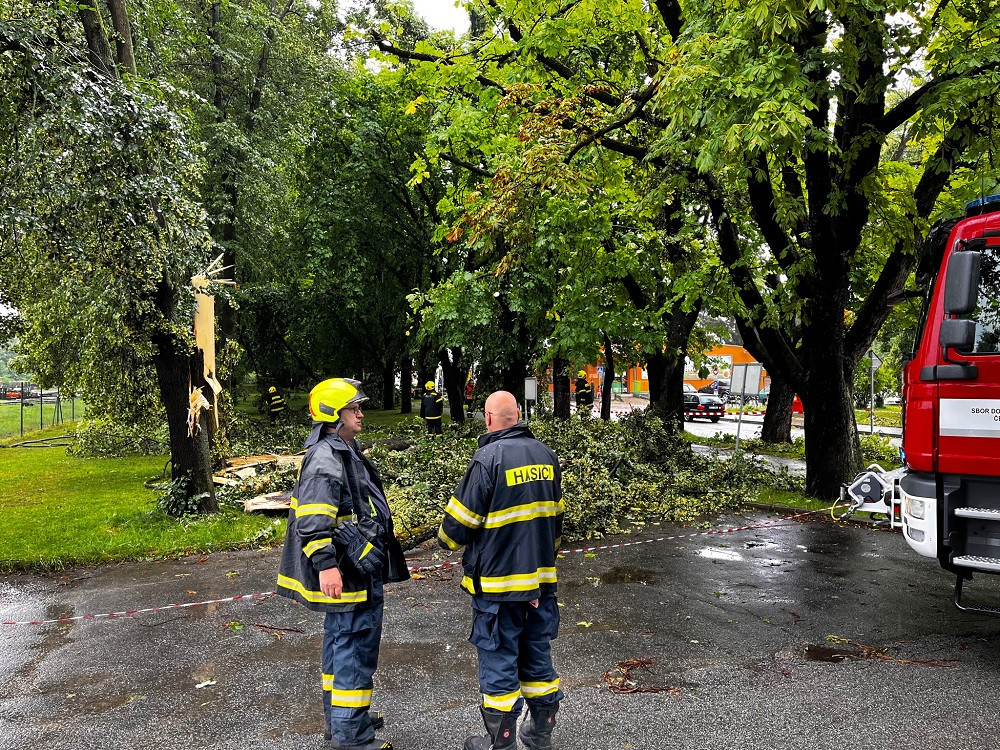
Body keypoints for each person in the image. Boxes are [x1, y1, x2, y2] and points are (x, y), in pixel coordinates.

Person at [277, 378, 409, 750]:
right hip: (348, 571)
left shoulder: (340, 448)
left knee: (342, 642)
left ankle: (343, 719)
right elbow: (313, 521)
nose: (361, 414)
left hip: (354, 565)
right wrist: (327, 566)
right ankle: (351, 737)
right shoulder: (326, 457)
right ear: (334, 414)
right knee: (354, 647)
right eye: (354, 408)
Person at [438, 390, 563, 750]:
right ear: (518, 416)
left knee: (498, 660)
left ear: (489, 419)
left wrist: (444, 540)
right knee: (536, 655)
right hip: (540, 583)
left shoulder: (487, 459)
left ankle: (502, 743)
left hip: (498, 586)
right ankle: (539, 734)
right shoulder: (546, 455)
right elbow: (556, 522)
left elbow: (458, 527)